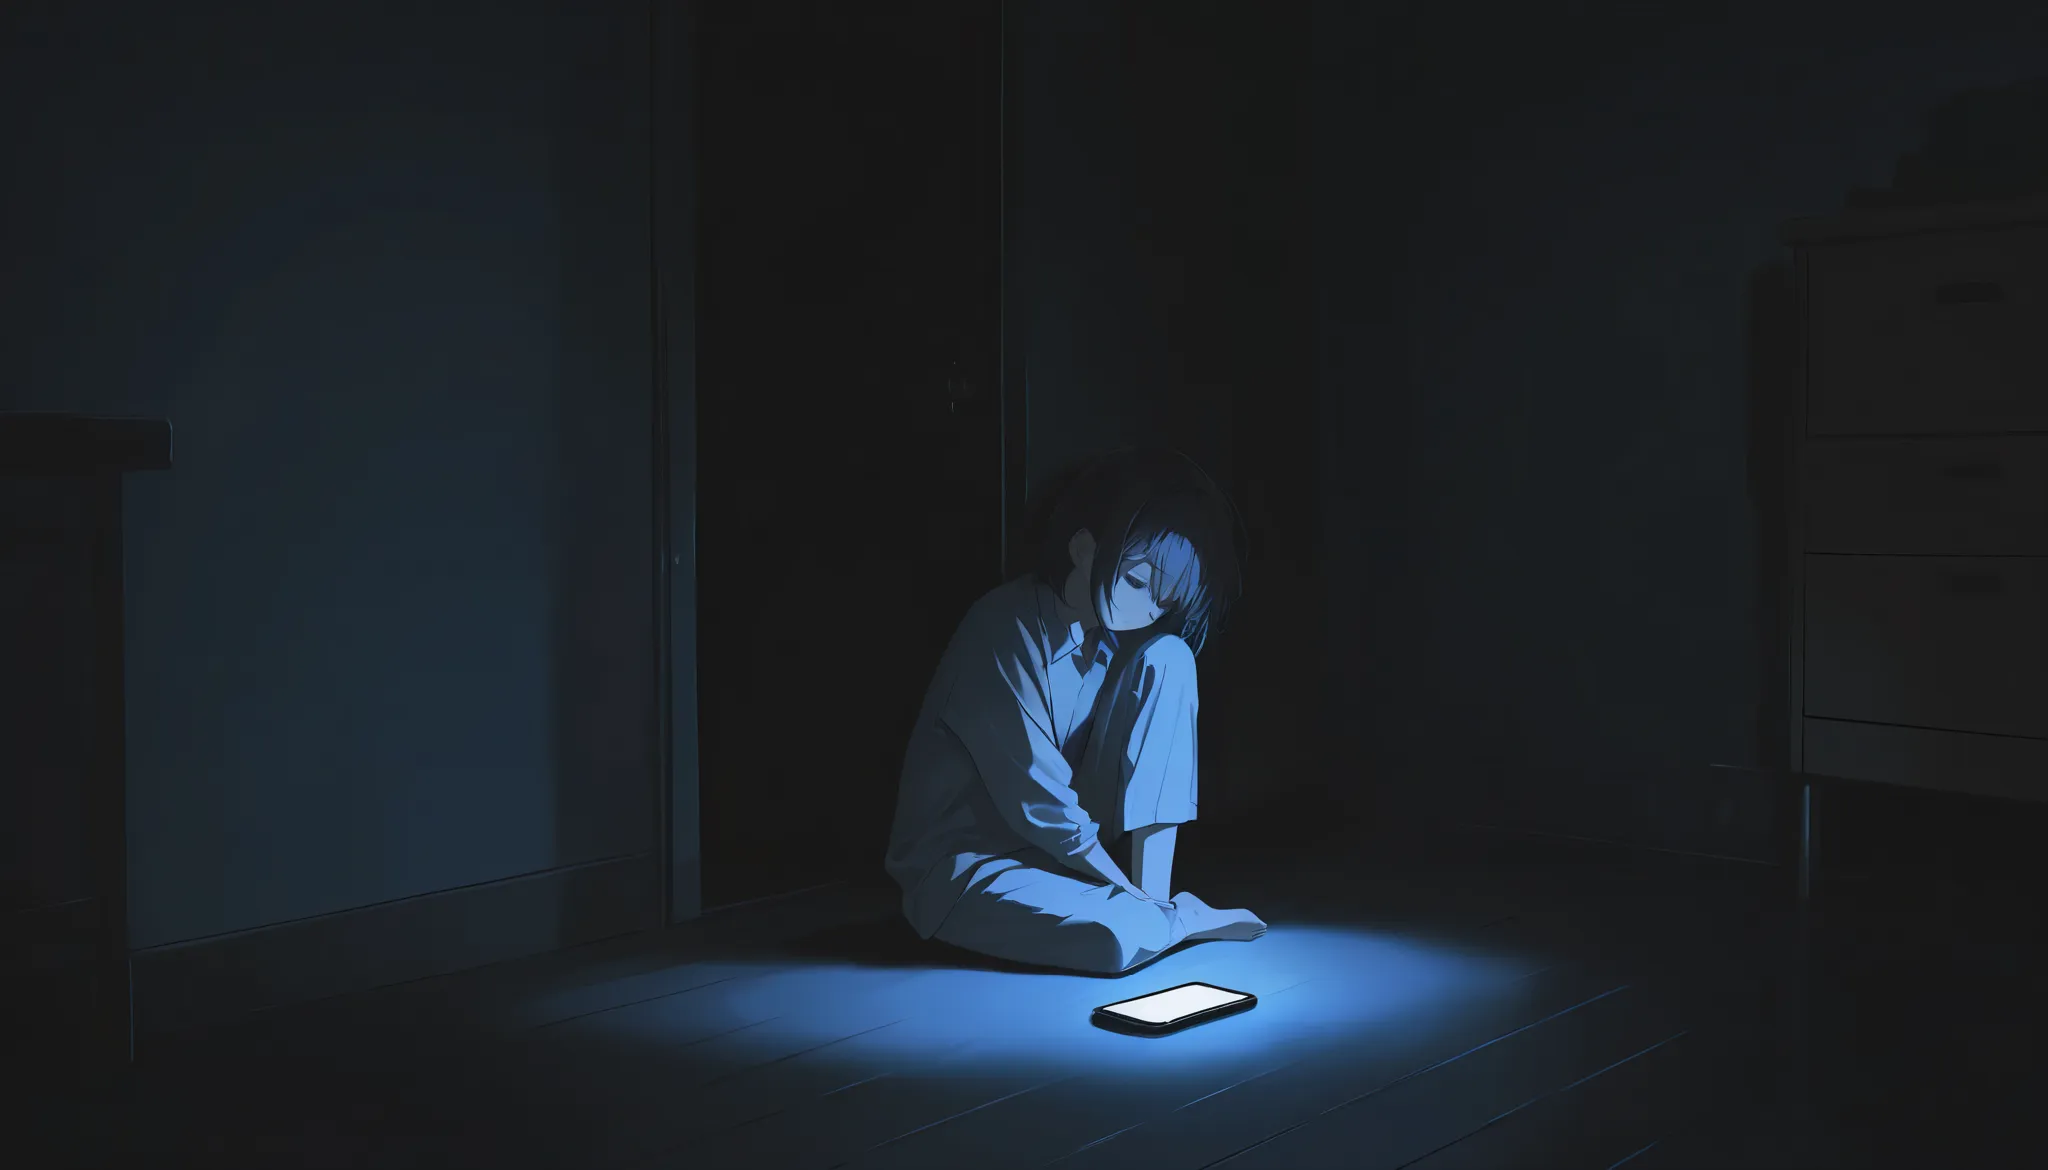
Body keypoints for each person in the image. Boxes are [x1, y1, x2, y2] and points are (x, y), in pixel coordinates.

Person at [884, 447, 1267, 975]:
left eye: (1162, 603)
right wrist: (1128, 900)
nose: (1144, 611)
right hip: (966, 869)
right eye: (1136, 582)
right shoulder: (1003, 627)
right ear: (1085, 549)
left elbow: (1124, 775)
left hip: (1063, 861)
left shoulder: (1114, 644)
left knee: (1172, 658)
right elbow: (1038, 802)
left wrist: (1143, 897)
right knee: (1113, 939)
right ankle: (1164, 918)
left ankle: (1158, 903)